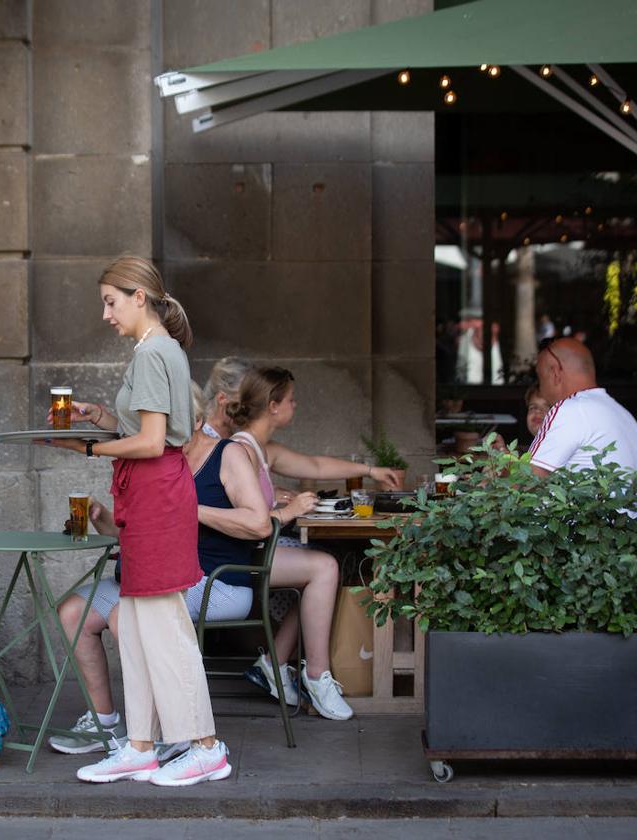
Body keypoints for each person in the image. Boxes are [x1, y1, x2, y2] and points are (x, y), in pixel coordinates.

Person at [41, 256, 230, 787]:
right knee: (139, 627)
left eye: (110, 301)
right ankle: (142, 746)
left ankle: (206, 747)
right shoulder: (159, 349)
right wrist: (101, 416)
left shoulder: (152, 353)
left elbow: (151, 442)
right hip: (154, 493)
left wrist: (88, 448)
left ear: (139, 297)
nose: (106, 313)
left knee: (164, 627)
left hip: (156, 495)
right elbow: (156, 427)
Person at [47, 375, 276, 764]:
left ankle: (162, 733)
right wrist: (104, 519)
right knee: (73, 612)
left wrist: (190, 509)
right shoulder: (157, 459)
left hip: (215, 580)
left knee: (129, 616)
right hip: (151, 574)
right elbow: (142, 532)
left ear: (190, 417)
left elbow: (259, 524)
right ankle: (105, 721)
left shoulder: (227, 454)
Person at [227, 366, 403, 720]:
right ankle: (316, 677)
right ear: (273, 406)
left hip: (259, 547)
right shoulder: (239, 450)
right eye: (291, 399)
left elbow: (314, 464)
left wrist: (370, 471)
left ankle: (273, 664)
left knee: (328, 561)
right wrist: (289, 507)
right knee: (325, 566)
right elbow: (241, 515)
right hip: (237, 555)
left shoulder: (260, 448)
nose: (296, 404)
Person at [529, 337, 637, 475]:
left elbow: (525, 483)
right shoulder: (625, 415)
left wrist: (499, 463)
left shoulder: (568, 410)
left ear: (555, 373)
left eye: (541, 378)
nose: (540, 388)